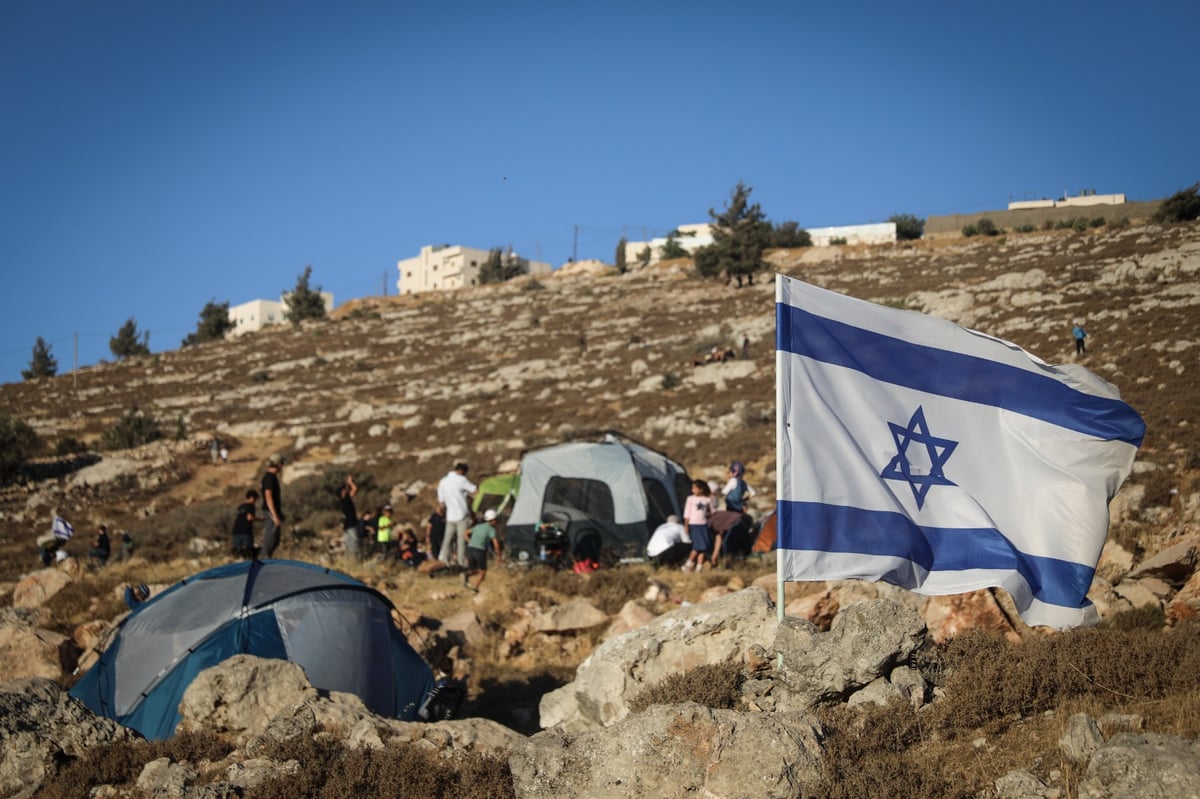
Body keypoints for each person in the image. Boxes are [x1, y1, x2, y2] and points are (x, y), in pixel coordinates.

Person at [437, 462, 477, 566]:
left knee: (447, 539)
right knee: (461, 540)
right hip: (462, 514)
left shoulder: (443, 481)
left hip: (450, 515)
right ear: (462, 471)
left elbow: (441, 501)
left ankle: (444, 560)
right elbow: (474, 490)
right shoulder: (461, 479)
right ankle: (461, 562)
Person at [463, 509, 502, 592]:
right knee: (483, 572)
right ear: (494, 520)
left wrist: (470, 542)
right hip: (479, 551)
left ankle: (465, 575)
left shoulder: (478, 526)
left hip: (470, 549)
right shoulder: (491, 530)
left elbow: (465, 533)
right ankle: (475, 588)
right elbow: (496, 544)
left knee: (474, 570)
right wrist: (499, 556)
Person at [681, 479, 715, 573]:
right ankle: (688, 564)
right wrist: (686, 525)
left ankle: (699, 568)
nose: (693, 490)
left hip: (703, 524)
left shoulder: (707, 500)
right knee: (697, 546)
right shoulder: (690, 499)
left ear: (701, 489)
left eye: (695, 488)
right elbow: (687, 513)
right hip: (694, 524)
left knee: (703, 547)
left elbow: (712, 512)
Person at [260, 454, 285, 558]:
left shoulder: (272, 478)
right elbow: (268, 497)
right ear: (278, 465)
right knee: (270, 538)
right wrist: (274, 515)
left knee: (275, 538)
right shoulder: (269, 478)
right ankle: (263, 559)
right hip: (270, 512)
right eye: (282, 463)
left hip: (273, 511)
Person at [339, 475, 361, 563]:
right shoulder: (346, 500)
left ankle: (346, 560)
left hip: (347, 525)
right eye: (343, 491)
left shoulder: (343, 501)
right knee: (354, 542)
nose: (345, 491)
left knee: (348, 543)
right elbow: (354, 489)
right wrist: (350, 482)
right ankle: (353, 560)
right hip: (351, 524)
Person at [231, 489, 258, 559]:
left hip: (236, 532)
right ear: (252, 498)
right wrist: (261, 519)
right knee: (248, 553)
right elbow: (249, 517)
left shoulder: (240, 507)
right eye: (255, 499)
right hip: (246, 532)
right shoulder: (251, 506)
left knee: (237, 554)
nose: (255, 501)